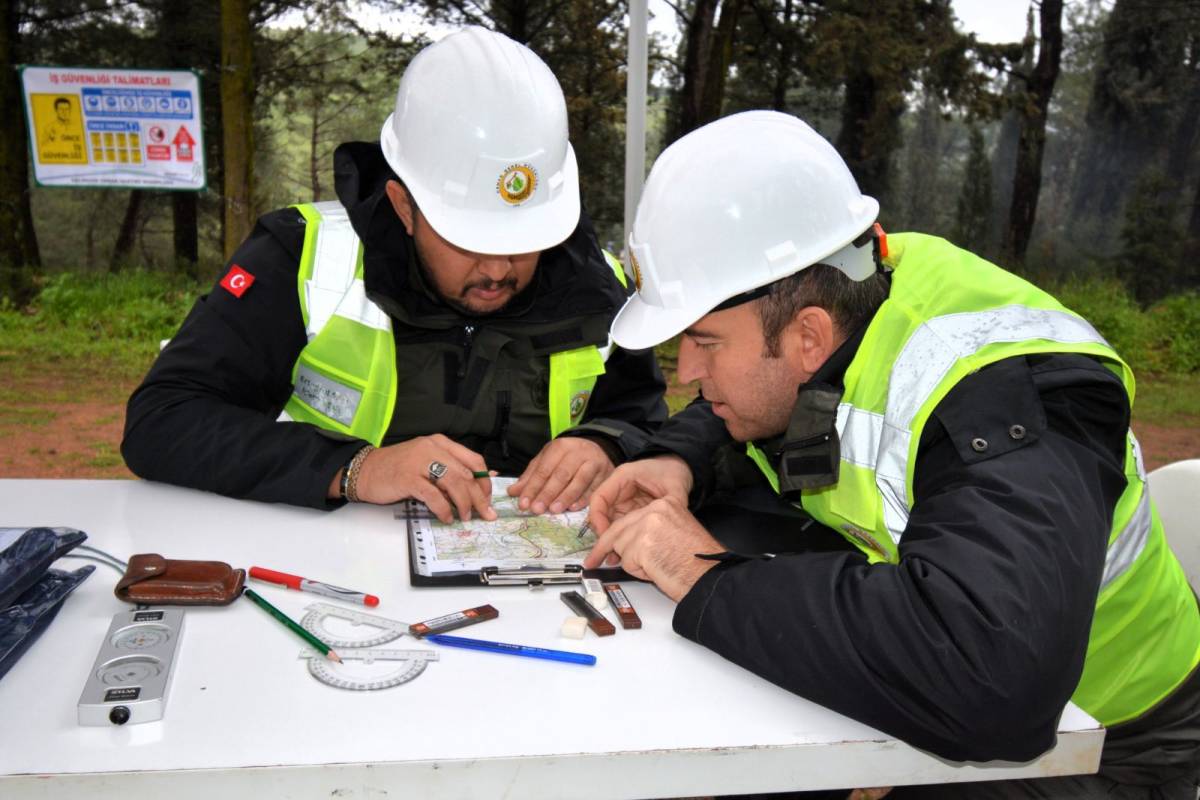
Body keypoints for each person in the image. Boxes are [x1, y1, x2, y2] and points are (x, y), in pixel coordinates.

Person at [584, 111, 1200, 798]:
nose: (688, 373)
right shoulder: (846, 286)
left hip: (1107, 740)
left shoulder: (1010, 395)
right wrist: (681, 458)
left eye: (703, 341)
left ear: (809, 337)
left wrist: (702, 575)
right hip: (964, 709)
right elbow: (767, 393)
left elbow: (991, 679)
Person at [122, 27, 667, 520]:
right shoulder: (303, 257)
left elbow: (644, 418)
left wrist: (606, 442)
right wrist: (357, 469)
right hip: (326, 564)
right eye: (469, 239)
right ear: (403, 206)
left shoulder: (599, 287)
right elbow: (162, 421)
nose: (499, 268)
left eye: (524, 240)